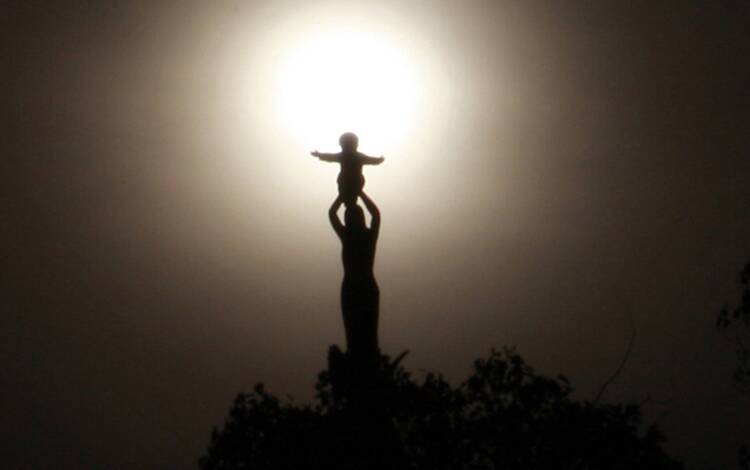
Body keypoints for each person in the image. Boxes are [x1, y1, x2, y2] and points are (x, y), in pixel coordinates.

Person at [329, 191, 381, 362]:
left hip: (358, 286)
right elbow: (375, 214)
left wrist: (347, 194)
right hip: (357, 286)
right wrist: (357, 192)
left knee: (365, 331)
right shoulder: (364, 236)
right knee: (354, 331)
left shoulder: (352, 236)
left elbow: (332, 213)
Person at [312, 132, 384, 205]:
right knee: (344, 182)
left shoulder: (356, 157)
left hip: (354, 183)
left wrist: (379, 160)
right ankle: (346, 194)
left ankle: (348, 193)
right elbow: (330, 157)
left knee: (347, 182)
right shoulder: (346, 156)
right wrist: (319, 154)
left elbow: (371, 160)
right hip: (346, 183)